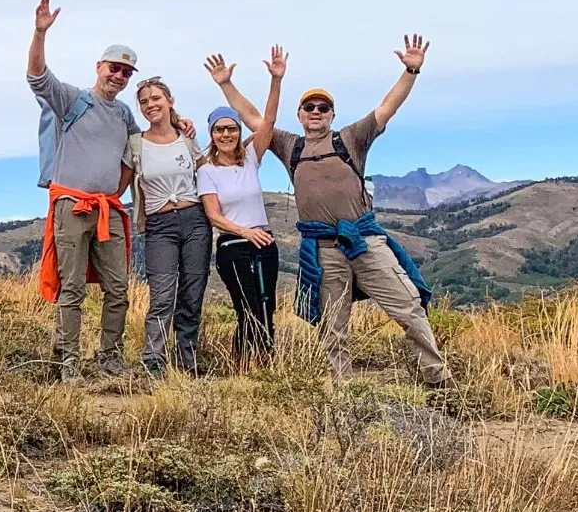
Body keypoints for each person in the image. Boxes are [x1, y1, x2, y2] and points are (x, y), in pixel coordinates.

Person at [209, 36, 448, 386]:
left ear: (332, 115)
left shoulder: (350, 139)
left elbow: (387, 107)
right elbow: (253, 118)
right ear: (300, 115)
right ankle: (342, 390)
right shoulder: (290, 146)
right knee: (332, 325)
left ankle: (437, 377)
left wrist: (411, 71)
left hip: (365, 242)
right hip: (324, 250)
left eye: (323, 108)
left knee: (408, 306)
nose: (316, 112)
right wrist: (227, 84)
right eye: (309, 107)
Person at [27, 0, 140, 381]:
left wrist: (179, 122)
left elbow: (139, 149)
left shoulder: (124, 114)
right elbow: (37, 78)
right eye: (114, 68)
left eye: (126, 72)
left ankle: (109, 359)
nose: (119, 76)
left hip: (107, 209)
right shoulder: (74, 99)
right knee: (71, 287)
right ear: (99, 67)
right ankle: (68, 363)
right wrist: (40, 33)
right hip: (72, 206)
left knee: (118, 288)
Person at [196, 47, 286, 365]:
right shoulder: (207, 171)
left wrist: (276, 80)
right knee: (247, 307)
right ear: (212, 134)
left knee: (266, 305)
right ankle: (241, 364)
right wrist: (245, 232)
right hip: (234, 246)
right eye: (219, 129)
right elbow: (213, 215)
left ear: (238, 131)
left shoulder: (250, 158)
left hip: (265, 243)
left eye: (231, 128)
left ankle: (264, 364)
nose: (226, 134)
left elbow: (268, 122)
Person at [130, 77, 211, 377]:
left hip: (195, 220)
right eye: (144, 101)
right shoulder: (135, 143)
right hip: (159, 224)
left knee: (193, 291)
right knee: (162, 294)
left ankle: (187, 358)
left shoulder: (186, 139)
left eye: (156, 98)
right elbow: (122, 182)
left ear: (169, 101)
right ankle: (154, 360)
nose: (150, 105)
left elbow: (207, 174)